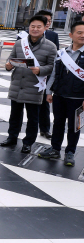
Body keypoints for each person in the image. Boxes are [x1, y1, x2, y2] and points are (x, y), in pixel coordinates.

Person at [1, 15, 57, 153]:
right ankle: (11, 137)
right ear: (29, 27)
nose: (35, 29)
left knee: (33, 117)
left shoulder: (51, 47)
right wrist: (8, 66)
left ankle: (28, 142)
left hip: (35, 86)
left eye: (39, 26)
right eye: (33, 26)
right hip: (17, 85)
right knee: (15, 115)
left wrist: (40, 70)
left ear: (45, 28)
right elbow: (10, 60)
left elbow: (52, 67)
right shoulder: (20, 43)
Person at [38, 20, 84, 167]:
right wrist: (49, 92)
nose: (83, 35)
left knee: (75, 126)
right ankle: (55, 149)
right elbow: (53, 74)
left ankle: (70, 152)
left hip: (79, 99)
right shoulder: (62, 53)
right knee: (58, 123)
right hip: (59, 96)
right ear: (71, 34)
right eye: (79, 32)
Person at [36, 9, 60, 139]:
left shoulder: (53, 35)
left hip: (46, 75)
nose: (48, 23)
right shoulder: (25, 35)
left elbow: (56, 57)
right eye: (45, 20)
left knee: (44, 103)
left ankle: (45, 129)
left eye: (49, 21)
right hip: (30, 75)